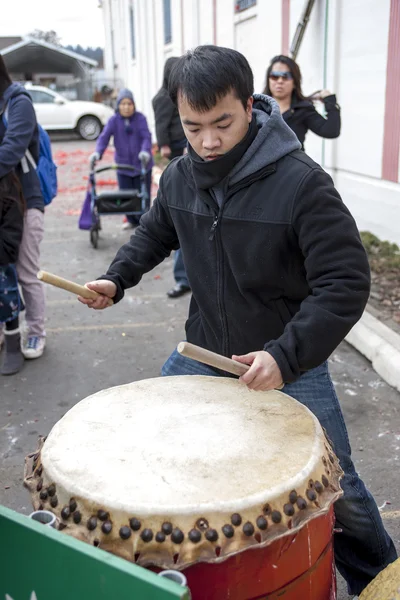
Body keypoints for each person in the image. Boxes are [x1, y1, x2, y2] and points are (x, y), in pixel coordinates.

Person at [78, 45, 397, 596]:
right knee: (148, 448)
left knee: (332, 485)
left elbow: (345, 284)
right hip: (203, 353)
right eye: (192, 126)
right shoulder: (180, 175)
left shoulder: (302, 183)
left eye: (222, 123)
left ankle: (380, 578)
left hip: (288, 362)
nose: (207, 141)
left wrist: (285, 355)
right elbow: (157, 231)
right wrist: (116, 278)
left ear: (249, 106)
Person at [0, 55, 46, 359]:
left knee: (26, 272)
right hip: (3, 205)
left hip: (27, 201)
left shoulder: (19, 103)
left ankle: (36, 332)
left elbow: (11, 150)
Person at [152, 57, 190, 299]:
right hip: (177, 150)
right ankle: (183, 278)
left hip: (184, 148)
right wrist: (165, 145)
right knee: (182, 220)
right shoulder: (163, 98)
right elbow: (161, 124)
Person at [90, 88, 153, 229]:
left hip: (141, 164)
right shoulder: (114, 120)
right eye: (123, 104)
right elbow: (104, 137)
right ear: (118, 105)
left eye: (129, 104)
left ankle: (143, 222)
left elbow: (146, 137)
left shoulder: (140, 118)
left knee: (143, 195)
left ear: (134, 105)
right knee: (125, 195)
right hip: (123, 166)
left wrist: (145, 151)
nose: (126, 107)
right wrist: (97, 153)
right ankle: (131, 220)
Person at [262, 54, 340, 149]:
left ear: (295, 82)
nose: (280, 81)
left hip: (293, 163)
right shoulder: (257, 106)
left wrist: (329, 100)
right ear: (268, 79)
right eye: (275, 76)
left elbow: (331, 131)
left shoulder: (303, 109)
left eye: (285, 76)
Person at [0, 171, 25, 375]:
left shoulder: (8, 190)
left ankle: (13, 345)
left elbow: (10, 246)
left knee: (7, 297)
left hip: (1, 259)